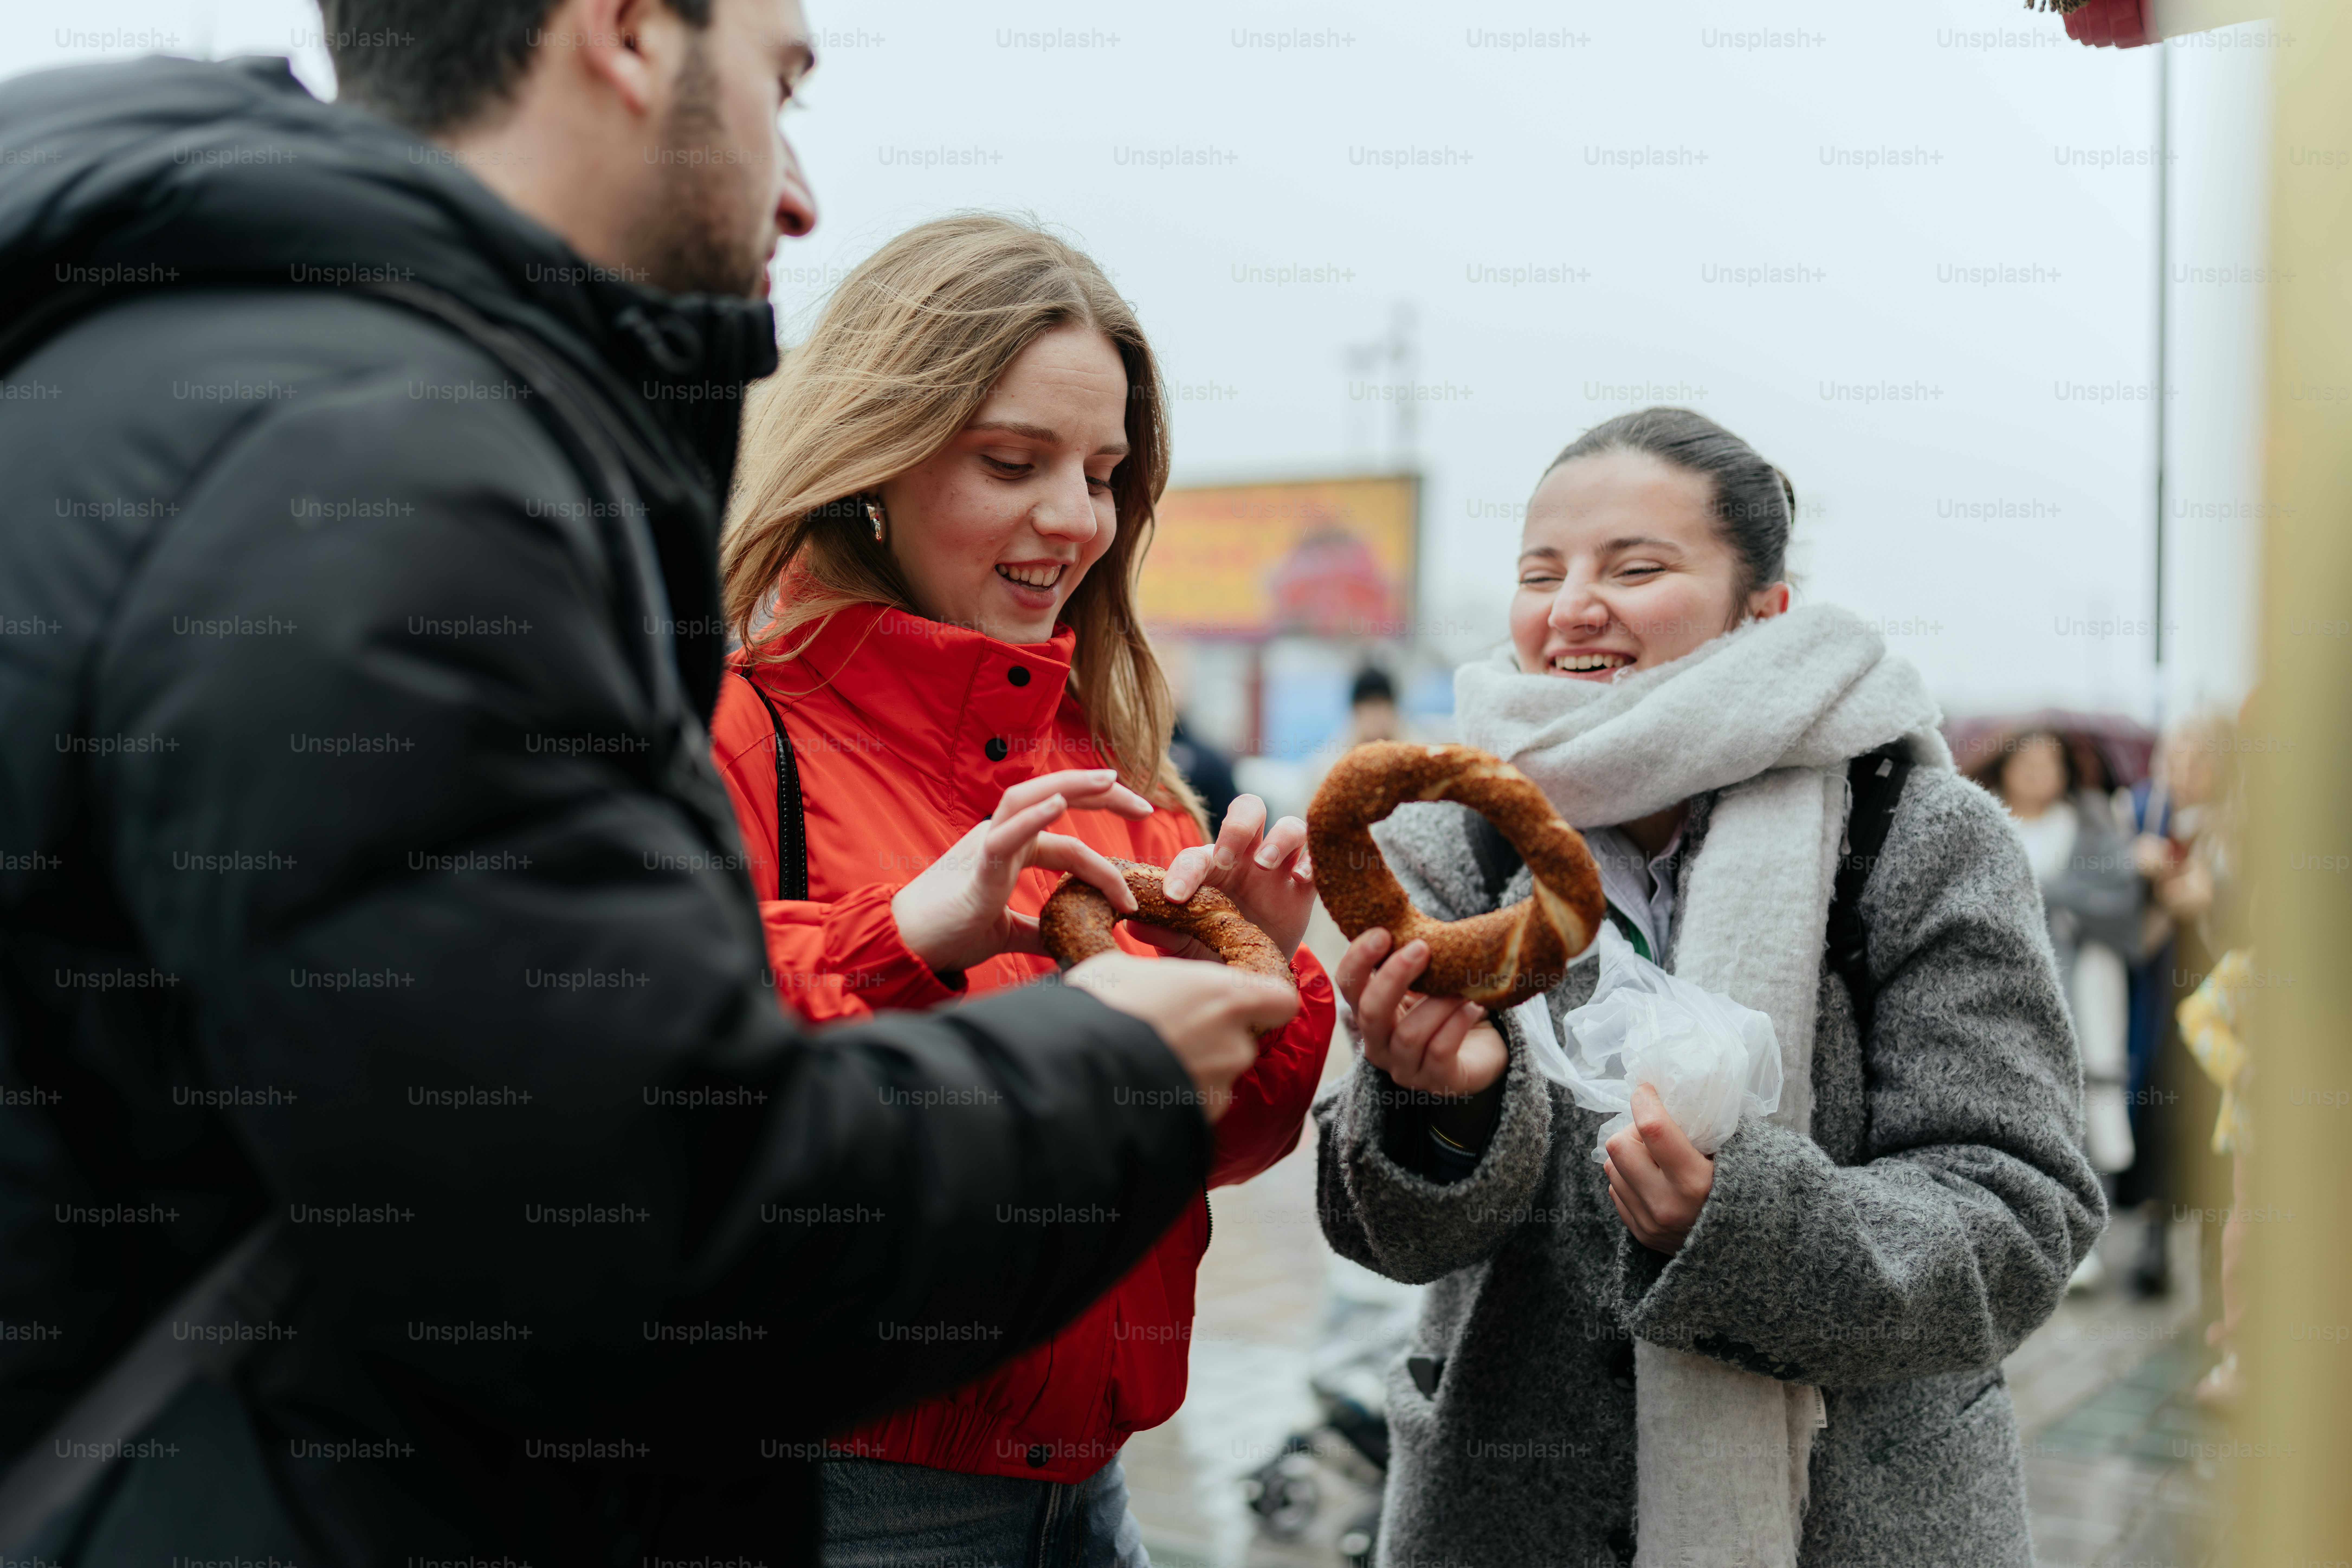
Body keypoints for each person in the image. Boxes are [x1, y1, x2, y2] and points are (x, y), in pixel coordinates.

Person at [0, 4, 1294, 1559]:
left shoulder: (181, 387)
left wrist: (1267, 984)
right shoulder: (400, 475)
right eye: (779, 78)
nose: (798, 189)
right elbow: (623, 1211)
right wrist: (1089, 1059)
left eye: (1101, 473)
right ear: (623, 36)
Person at [1313, 408, 2102, 1568]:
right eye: (1542, 572)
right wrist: (1442, 1110)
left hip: (1860, 1518)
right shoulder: (1454, 840)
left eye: (1635, 567)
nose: (1572, 604)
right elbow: (1375, 1230)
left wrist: (1739, 1224)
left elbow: (2022, 1211)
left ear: (1763, 606)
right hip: (1507, 1513)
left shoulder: (1914, 834)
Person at [712, 214, 1335, 1567]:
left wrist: (1265, 984)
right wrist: (908, 934)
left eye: (1105, 473)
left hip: (1094, 1495)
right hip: (835, 1488)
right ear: (873, 453)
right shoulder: (733, 731)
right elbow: (644, 1060)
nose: (1076, 519)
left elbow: (1215, 1148)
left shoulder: (1105, 764)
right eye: (1013, 462)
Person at [1970, 728, 2142, 1287]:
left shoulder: (2088, 824)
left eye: (2051, 762)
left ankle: (2083, 1238)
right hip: (2003, 994)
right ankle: (2018, 1234)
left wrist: (2055, 891)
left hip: (2083, 986)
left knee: (2086, 1101)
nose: (2041, 772)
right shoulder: (1983, 819)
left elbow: (2121, 899)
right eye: (2030, 761)